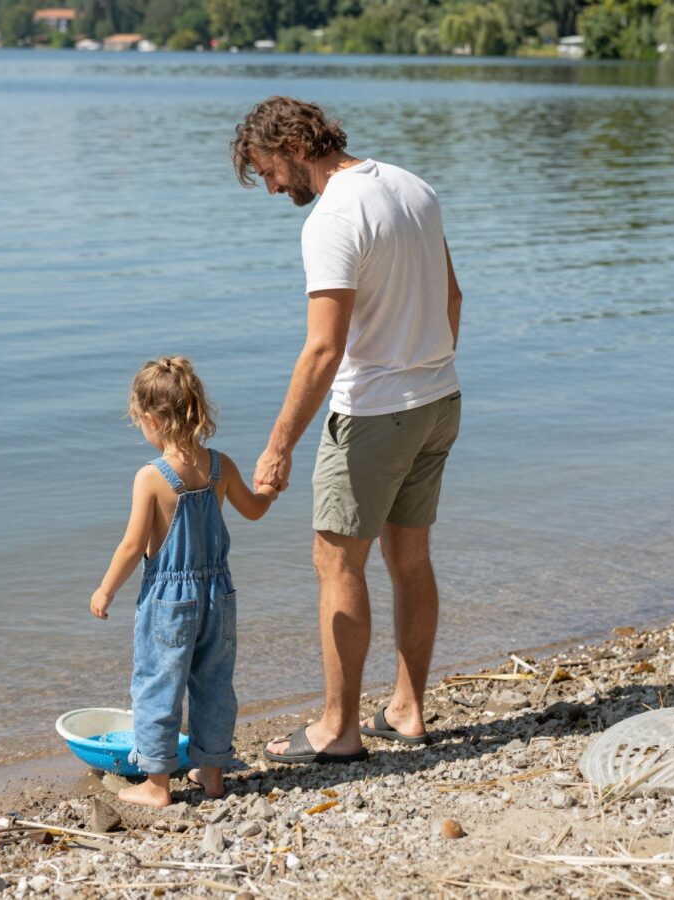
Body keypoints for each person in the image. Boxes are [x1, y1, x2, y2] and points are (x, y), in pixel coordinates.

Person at [230, 96, 463, 765]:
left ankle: (338, 729)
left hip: (374, 413)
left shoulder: (333, 216)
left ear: (293, 147)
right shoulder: (412, 187)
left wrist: (278, 446)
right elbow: (452, 299)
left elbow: (323, 351)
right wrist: (428, 369)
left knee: (337, 564)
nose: (271, 187)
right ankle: (408, 711)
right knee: (409, 557)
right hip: (438, 398)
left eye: (268, 170)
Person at [91, 356, 279, 806]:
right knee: (214, 682)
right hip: (218, 595)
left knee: (158, 684)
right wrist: (270, 488)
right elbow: (253, 510)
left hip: (168, 601)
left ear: (153, 419)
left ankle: (157, 785)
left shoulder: (152, 478)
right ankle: (211, 775)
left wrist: (105, 589)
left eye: (140, 422)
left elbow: (132, 546)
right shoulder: (219, 466)